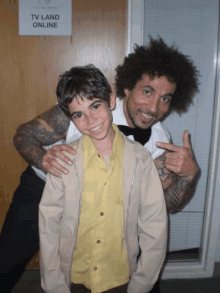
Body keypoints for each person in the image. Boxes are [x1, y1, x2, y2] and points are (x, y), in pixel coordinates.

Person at [0, 36, 199, 292]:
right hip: (43, 185)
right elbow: (23, 134)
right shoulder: (87, 105)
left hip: (101, 199)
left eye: (165, 98)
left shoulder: (160, 141)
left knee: (142, 275)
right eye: (147, 91)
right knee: (6, 263)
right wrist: (43, 159)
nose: (154, 107)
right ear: (126, 88)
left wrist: (189, 176)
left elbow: (164, 204)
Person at [39, 64, 167, 293]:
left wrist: (142, 283)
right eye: (79, 114)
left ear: (110, 100)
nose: (90, 120)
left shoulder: (140, 159)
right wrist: (54, 285)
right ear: (72, 118)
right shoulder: (64, 160)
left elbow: (154, 226)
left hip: (121, 278)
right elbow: (49, 227)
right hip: (75, 278)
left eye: (95, 106)